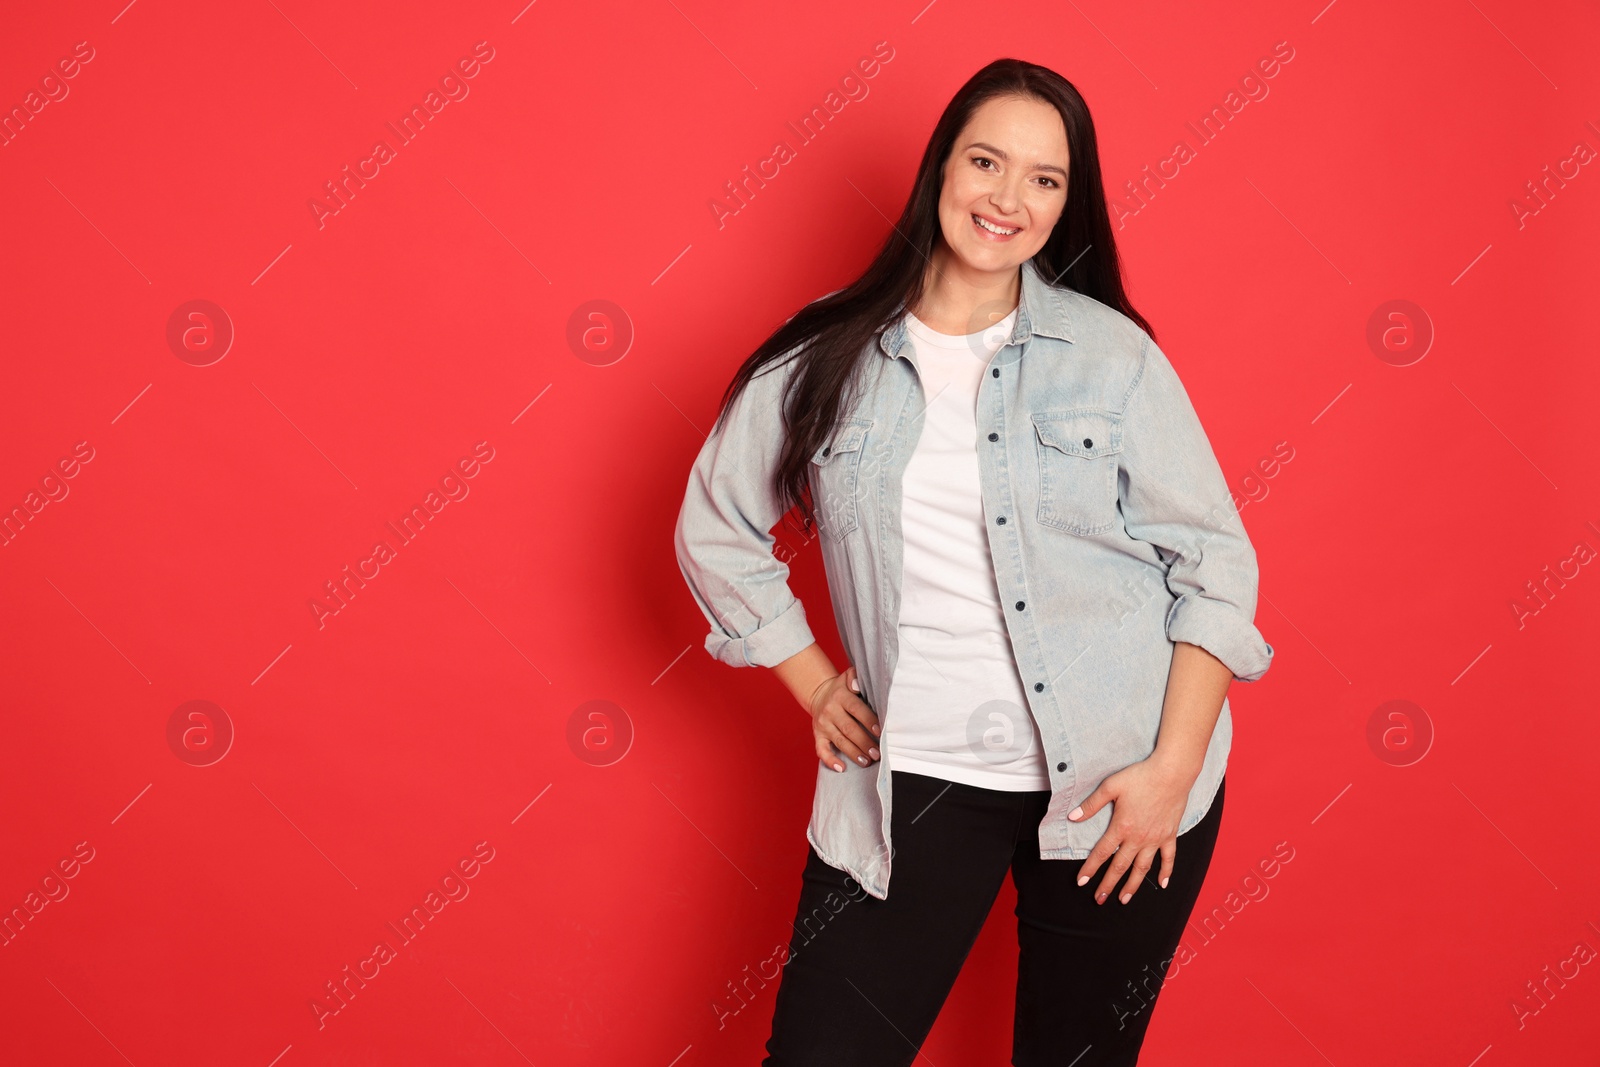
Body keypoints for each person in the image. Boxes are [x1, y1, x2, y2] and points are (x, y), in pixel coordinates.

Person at [673, 57, 1275, 1066]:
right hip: (914, 781)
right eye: (986, 162)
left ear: (1065, 200)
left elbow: (1214, 564)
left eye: (1043, 179)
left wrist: (1171, 771)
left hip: (1120, 783)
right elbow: (713, 524)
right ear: (939, 169)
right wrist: (814, 679)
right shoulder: (823, 351)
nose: (1008, 198)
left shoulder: (1110, 354)